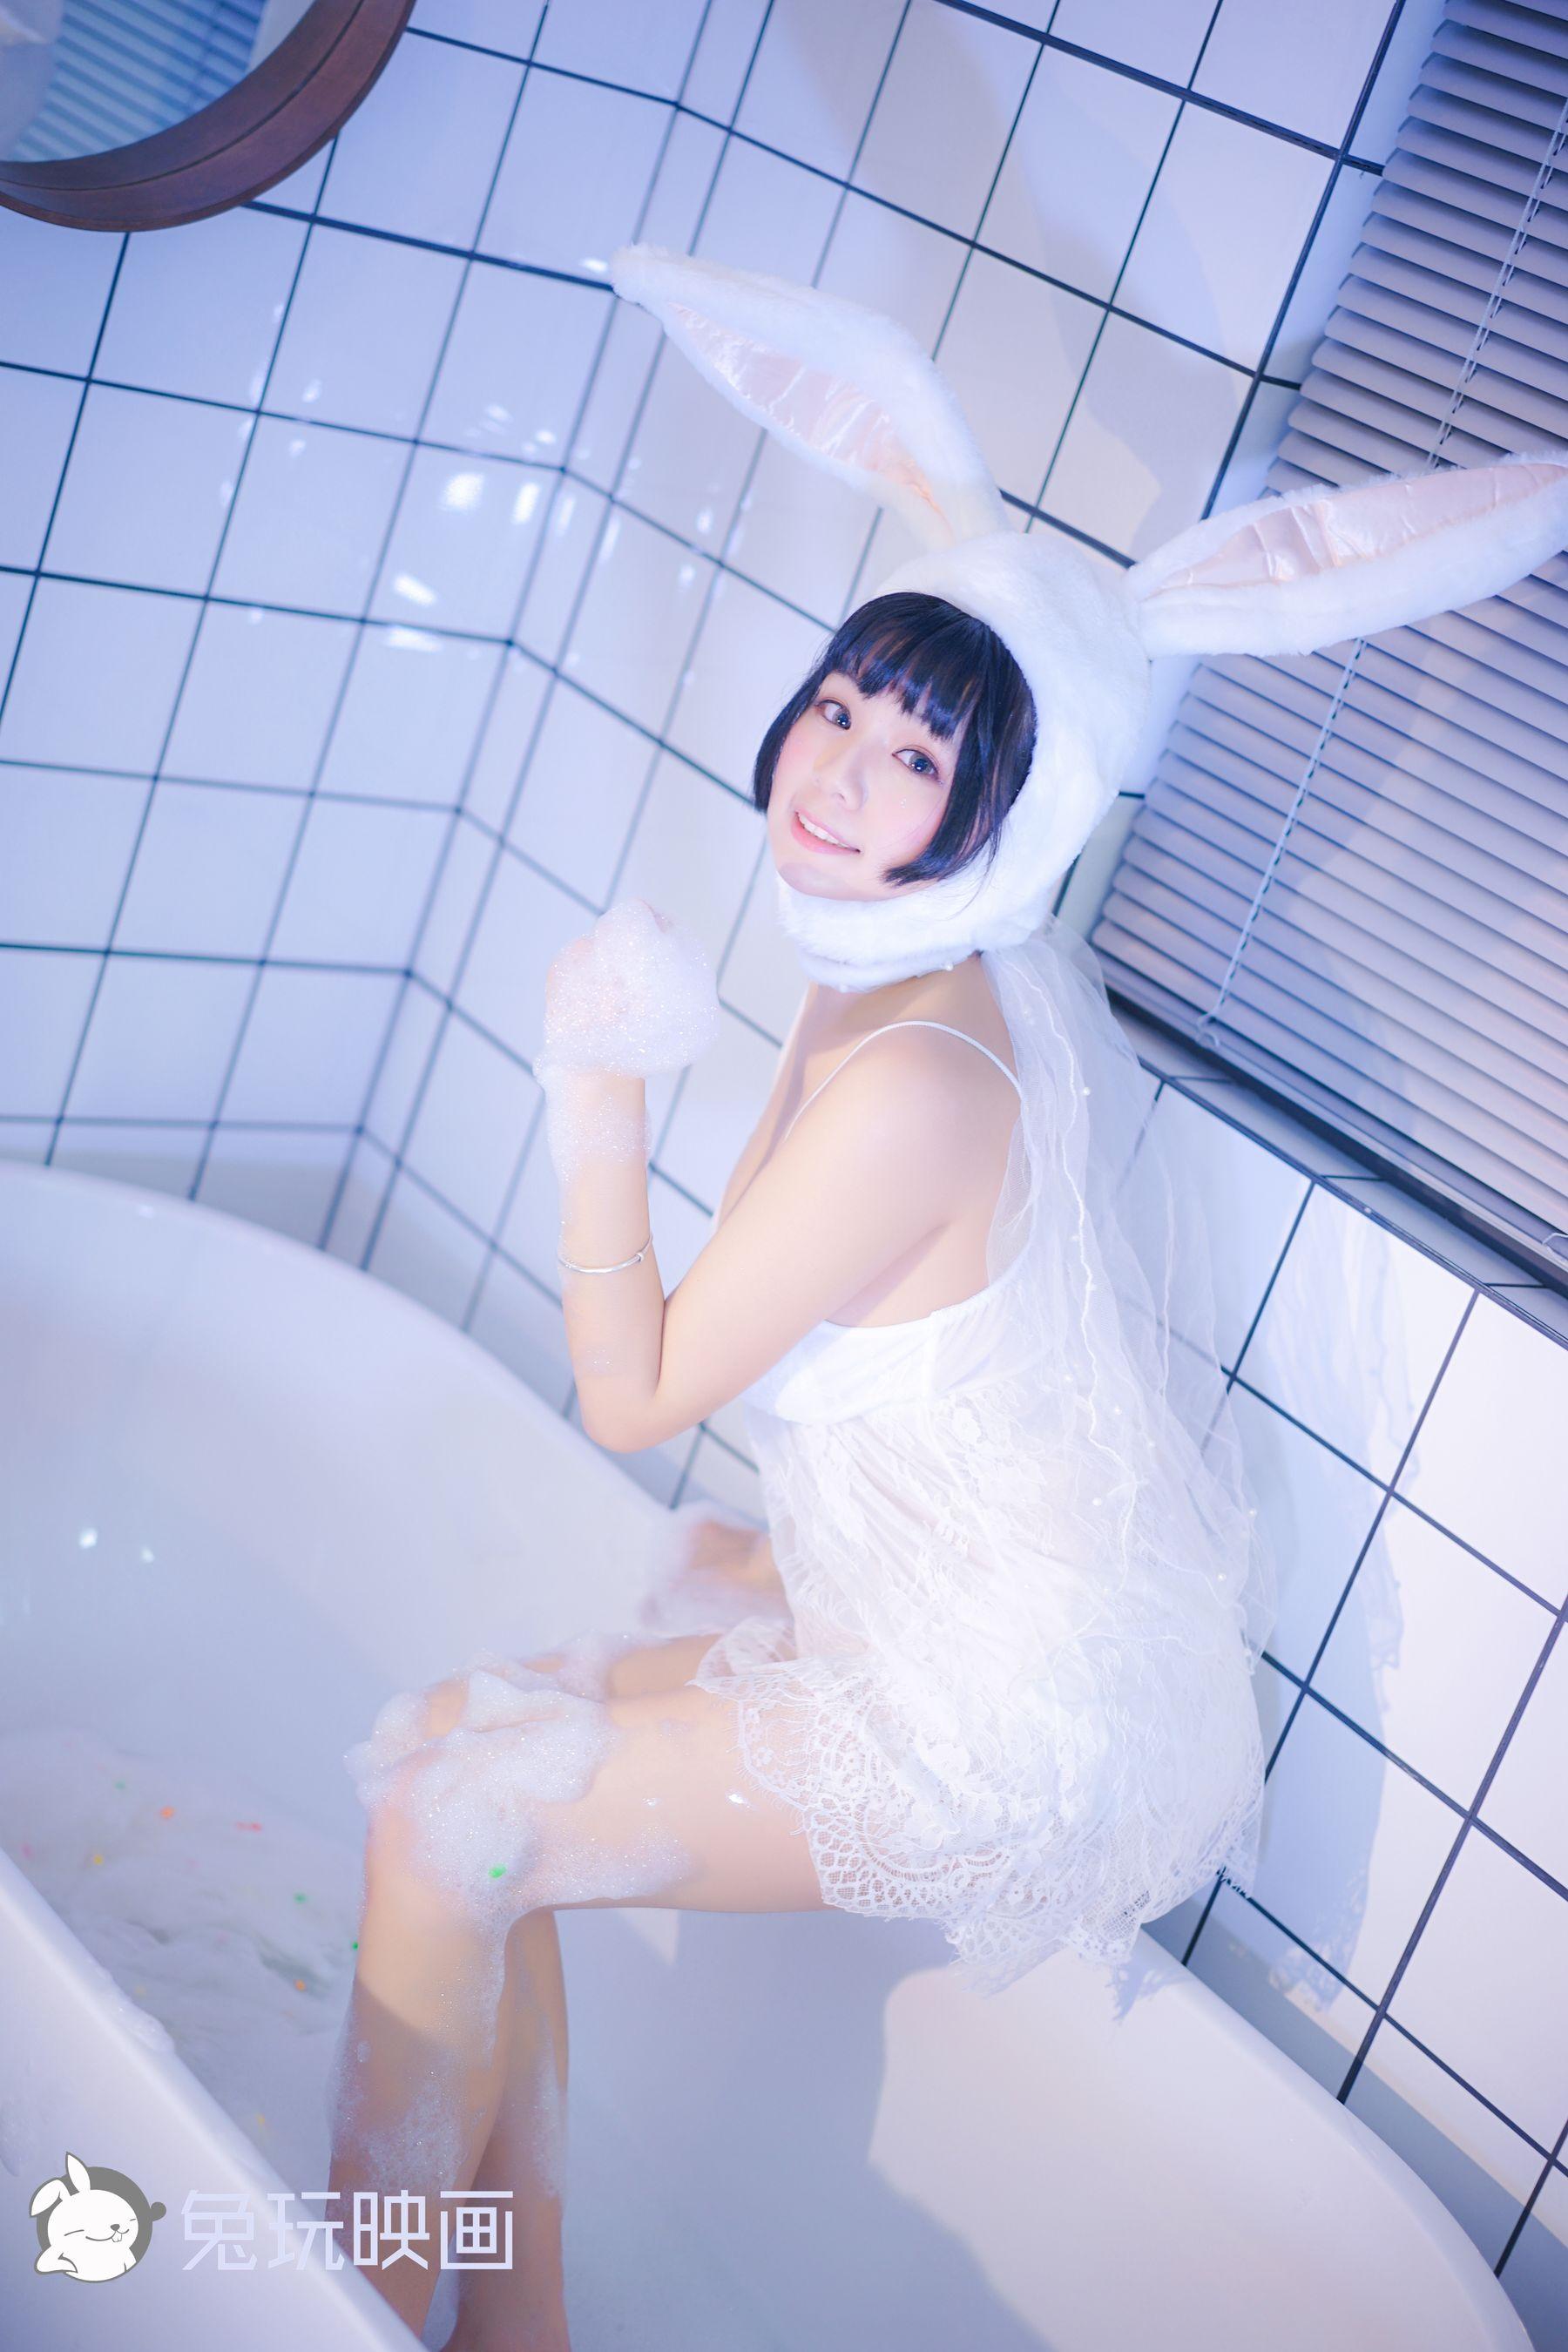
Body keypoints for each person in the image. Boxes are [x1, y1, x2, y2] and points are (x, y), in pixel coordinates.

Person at [326, 247, 1568, 2349]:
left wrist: (593, 1093)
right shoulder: (899, 967)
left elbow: (631, 1391)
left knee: (459, 1811)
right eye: (841, 705)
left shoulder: (915, 1071)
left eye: (913, 758)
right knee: (475, 1751)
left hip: (999, 1729)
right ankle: (505, 2319)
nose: (835, 770)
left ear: (1012, 810)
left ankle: (325, 2312)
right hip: (944, 1630)